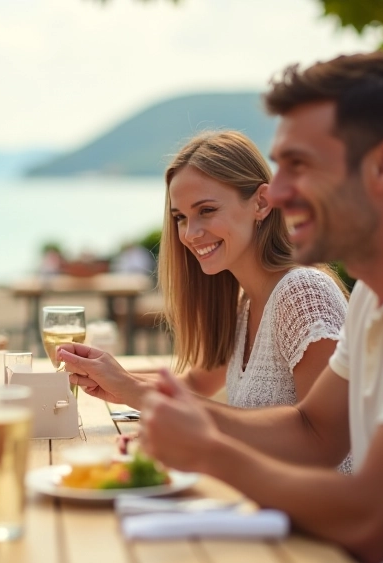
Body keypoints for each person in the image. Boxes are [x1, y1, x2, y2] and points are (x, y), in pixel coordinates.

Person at [136, 53, 383, 563]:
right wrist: (183, 419)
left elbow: (370, 520)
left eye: (301, 165)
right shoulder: (374, 293)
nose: (275, 192)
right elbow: (314, 433)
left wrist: (207, 450)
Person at [59, 131, 350, 471]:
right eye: (180, 217)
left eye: (207, 210)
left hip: (318, 516)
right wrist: (116, 381)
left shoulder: (302, 294)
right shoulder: (246, 303)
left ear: (261, 203)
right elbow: (197, 383)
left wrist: (137, 391)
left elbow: (320, 443)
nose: (189, 233)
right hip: (266, 504)